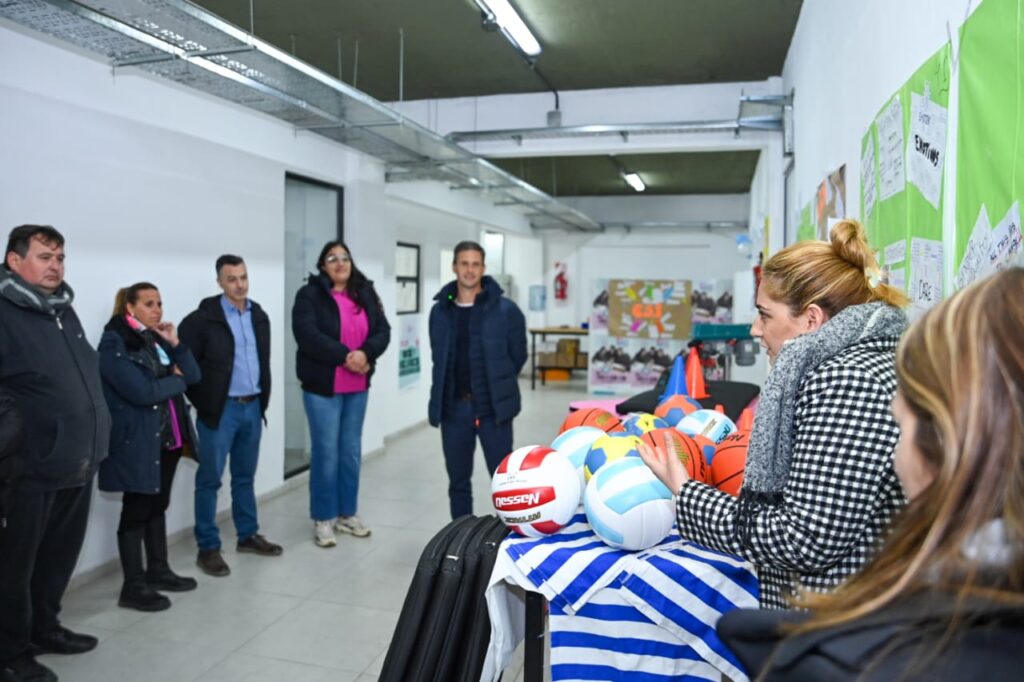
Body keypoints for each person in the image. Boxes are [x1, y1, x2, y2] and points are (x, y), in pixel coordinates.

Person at [717, 267, 1024, 680]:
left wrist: (689, 496)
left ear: (949, 442)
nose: (893, 454)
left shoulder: (857, 664)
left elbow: (805, 538)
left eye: (902, 423)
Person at [639, 220, 908, 609]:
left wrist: (685, 492)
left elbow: (803, 540)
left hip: (838, 625)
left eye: (765, 315)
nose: (754, 329)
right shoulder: (861, 363)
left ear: (811, 320)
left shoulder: (848, 382)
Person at [0, 225, 111, 682]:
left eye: (60, 257)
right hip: (30, 465)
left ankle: (45, 629)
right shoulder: (6, 312)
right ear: (14, 261)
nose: (55, 266)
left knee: (57, 557)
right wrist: (20, 436)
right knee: (14, 568)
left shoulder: (61, 310)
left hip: (76, 460)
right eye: (45, 257)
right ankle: (9, 653)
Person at [97, 283, 202, 612]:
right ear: (130, 307)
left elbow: (194, 374)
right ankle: (134, 585)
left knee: (158, 504)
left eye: (159, 302)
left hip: (169, 439)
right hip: (137, 441)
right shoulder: (115, 343)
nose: (157, 309)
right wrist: (175, 378)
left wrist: (176, 345)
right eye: (148, 303)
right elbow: (141, 392)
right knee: (136, 510)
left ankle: (158, 570)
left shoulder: (156, 339)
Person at [179, 255, 281, 578]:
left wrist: (262, 400)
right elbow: (184, 366)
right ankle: (208, 547)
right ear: (220, 282)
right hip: (220, 411)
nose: (240, 284)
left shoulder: (258, 315)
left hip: (252, 407)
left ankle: (247, 535)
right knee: (209, 479)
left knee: (244, 477)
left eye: (244, 277)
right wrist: (205, 401)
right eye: (232, 279)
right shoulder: (202, 319)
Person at [292, 241, 390, 547]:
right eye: (332, 258)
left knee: (349, 452)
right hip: (323, 387)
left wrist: (365, 354)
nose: (340, 263)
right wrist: (347, 356)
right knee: (326, 453)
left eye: (345, 257)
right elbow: (307, 335)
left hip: (357, 386)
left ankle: (347, 513)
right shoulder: (309, 295)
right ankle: (323, 518)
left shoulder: (365, 292)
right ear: (323, 265)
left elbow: (382, 330)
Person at [428, 241, 527, 519]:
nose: (469, 270)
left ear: (483, 268)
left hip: (494, 410)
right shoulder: (440, 312)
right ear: (454, 267)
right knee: (458, 483)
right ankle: (460, 543)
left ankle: (507, 543)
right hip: (454, 409)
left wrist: (497, 383)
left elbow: (518, 357)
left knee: (504, 484)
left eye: (475, 264)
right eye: (464, 263)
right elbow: (439, 358)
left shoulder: (506, 311)